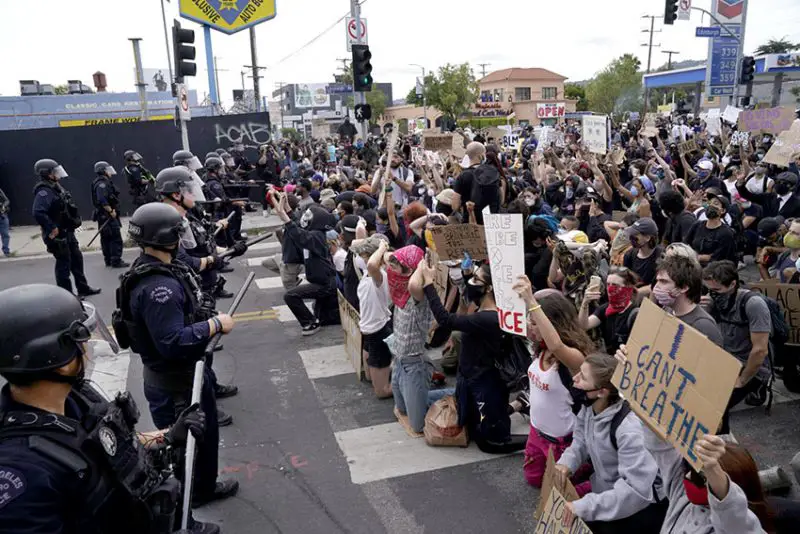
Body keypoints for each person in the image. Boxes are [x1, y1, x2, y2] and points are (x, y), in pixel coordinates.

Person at [0, 283, 217, 533]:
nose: (87, 350)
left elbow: (104, 445)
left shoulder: (76, 400)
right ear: (57, 359)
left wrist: (166, 436)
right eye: (81, 342)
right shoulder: (22, 474)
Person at [114, 203, 239, 509]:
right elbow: (171, 340)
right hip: (175, 385)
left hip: (187, 374)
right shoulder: (160, 287)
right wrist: (213, 325)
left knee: (205, 440)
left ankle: (204, 488)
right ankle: (189, 510)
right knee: (185, 451)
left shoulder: (160, 269)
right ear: (166, 238)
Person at [616, 345, 774, 534]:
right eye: (692, 469)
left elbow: (735, 520)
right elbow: (660, 445)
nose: (688, 477)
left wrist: (713, 469)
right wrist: (634, 379)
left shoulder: (738, 526)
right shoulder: (681, 493)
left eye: (702, 477)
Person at [555, 353, 667, 534]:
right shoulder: (590, 407)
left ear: (602, 392)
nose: (574, 379)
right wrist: (566, 463)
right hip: (609, 496)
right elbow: (581, 440)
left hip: (639, 507)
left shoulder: (628, 430)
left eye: (582, 377)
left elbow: (634, 492)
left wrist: (583, 507)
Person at [513, 281, 592, 490]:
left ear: (553, 325)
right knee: (534, 480)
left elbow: (557, 345)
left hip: (561, 443)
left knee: (559, 489)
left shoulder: (574, 357)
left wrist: (531, 299)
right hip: (535, 433)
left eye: (535, 323)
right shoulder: (540, 348)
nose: (531, 326)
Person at [702, 261, 772, 433]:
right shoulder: (714, 301)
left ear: (732, 284)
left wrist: (742, 380)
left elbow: (760, 350)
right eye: (708, 290)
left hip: (749, 367)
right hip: (726, 361)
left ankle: (723, 445)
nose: (712, 295)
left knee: (717, 406)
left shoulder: (753, 304)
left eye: (717, 290)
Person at [32, 158, 101, 297]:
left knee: (76, 259)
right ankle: (67, 295)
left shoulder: (56, 187)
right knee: (64, 264)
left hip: (67, 231)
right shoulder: (44, 192)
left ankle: (83, 288)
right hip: (57, 235)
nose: (57, 174)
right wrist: (51, 227)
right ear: (47, 173)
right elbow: (38, 212)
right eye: (54, 172)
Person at [274, 192, 339, 335]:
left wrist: (285, 218)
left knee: (290, 296)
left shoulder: (317, 236)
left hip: (324, 284)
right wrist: (285, 207)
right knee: (322, 314)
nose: (304, 218)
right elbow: (297, 224)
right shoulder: (313, 232)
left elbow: (299, 235)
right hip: (320, 281)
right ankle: (316, 319)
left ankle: (310, 323)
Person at [350, 236, 393, 398]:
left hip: (378, 331)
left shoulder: (379, 276)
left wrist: (382, 247)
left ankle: (404, 384)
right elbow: (354, 245)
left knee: (381, 393)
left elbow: (372, 264)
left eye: (365, 255)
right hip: (368, 331)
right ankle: (391, 369)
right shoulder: (368, 274)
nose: (361, 258)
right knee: (368, 377)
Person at [653, 255, 724, 345]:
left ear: (684, 287)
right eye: (657, 281)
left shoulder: (703, 325)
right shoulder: (668, 310)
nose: (656, 287)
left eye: (663, 281)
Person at [580, 266, 640, 355]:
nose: (610, 289)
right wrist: (585, 304)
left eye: (615, 285)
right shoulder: (606, 308)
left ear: (628, 287)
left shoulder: (635, 314)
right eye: (608, 284)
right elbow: (584, 325)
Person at [91, 160, 129, 268]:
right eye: (107, 170)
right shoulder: (102, 184)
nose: (110, 172)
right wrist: (110, 211)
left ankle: (108, 259)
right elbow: (102, 199)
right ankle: (115, 260)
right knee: (114, 237)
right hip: (107, 215)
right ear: (103, 171)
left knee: (106, 238)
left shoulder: (102, 182)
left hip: (104, 215)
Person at [686, 190, 738, 265]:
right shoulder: (697, 225)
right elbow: (686, 244)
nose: (711, 205)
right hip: (693, 266)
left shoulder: (726, 233)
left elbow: (719, 257)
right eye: (709, 203)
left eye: (715, 203)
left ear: (722, 210)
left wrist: (697, 257)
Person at [622, 217, 663, 291]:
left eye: (635, 234)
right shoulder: (629, 255)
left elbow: (661, 285)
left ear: (647, 238)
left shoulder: (661, 257)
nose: (631, 237)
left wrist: (640, 291)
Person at [0, 186, 10, 256]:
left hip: (2, 216)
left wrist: (3, 206)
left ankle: (6, 251)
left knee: (5, 234)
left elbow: (7, 200)